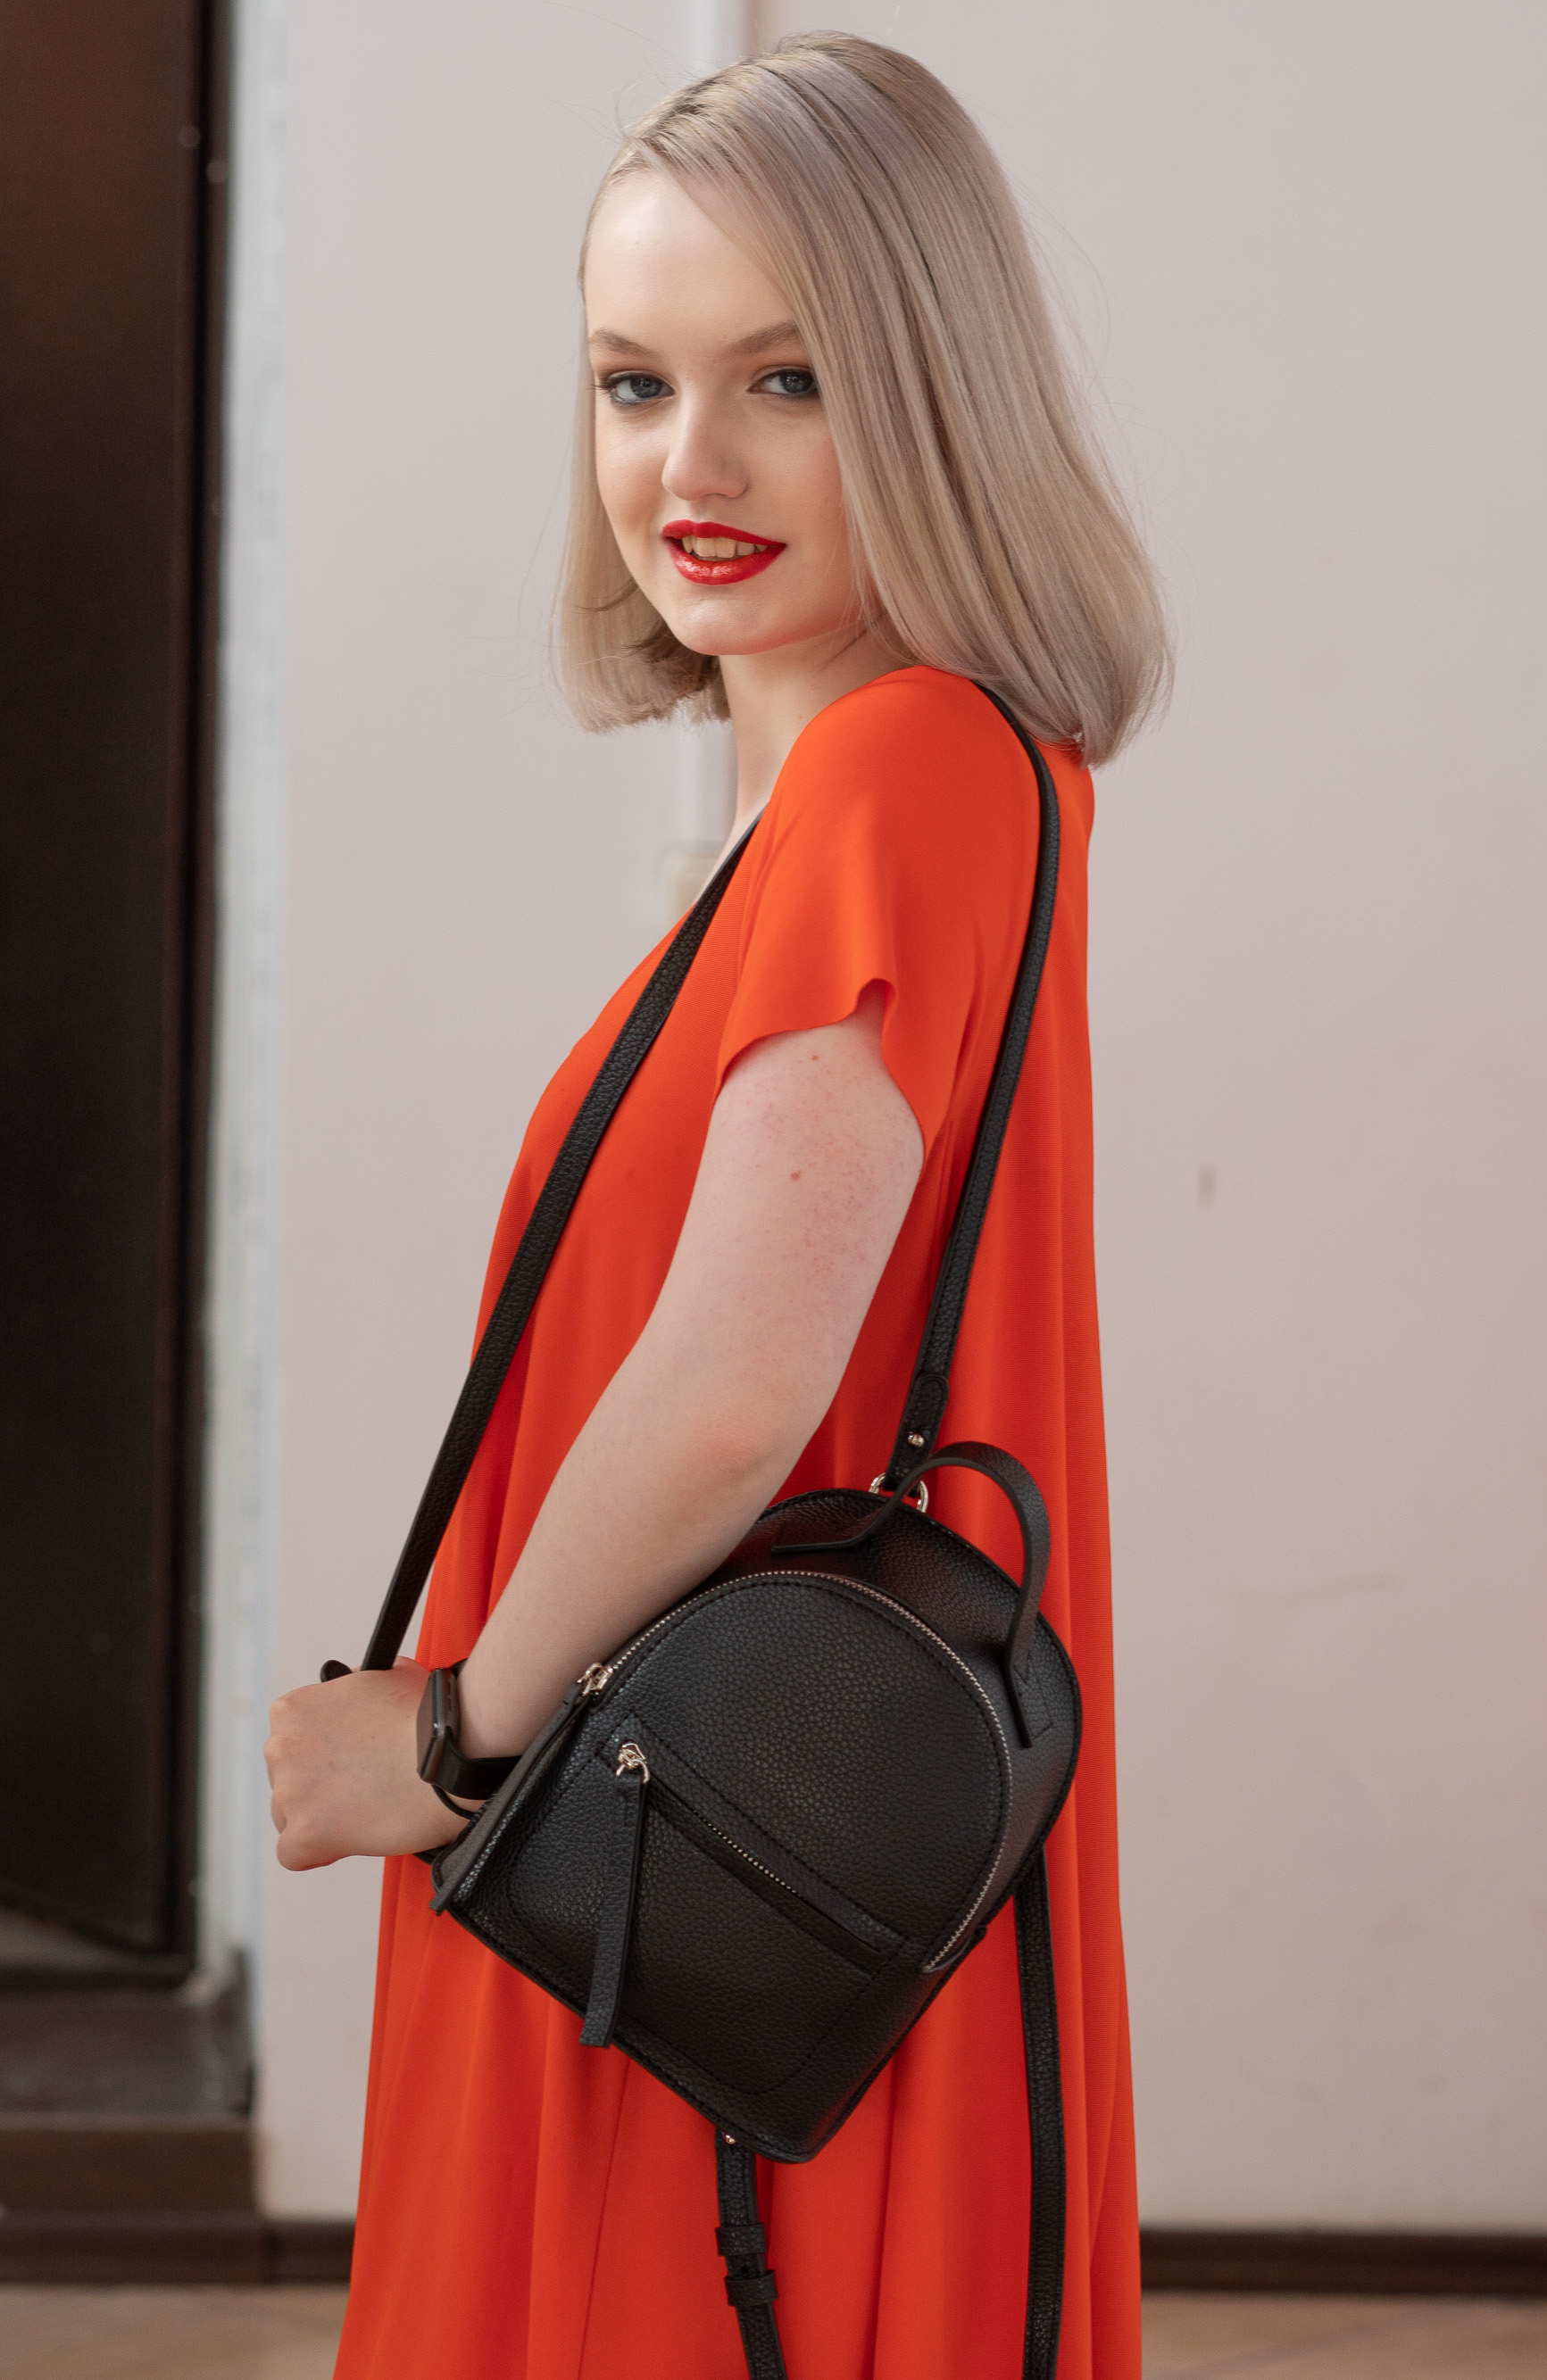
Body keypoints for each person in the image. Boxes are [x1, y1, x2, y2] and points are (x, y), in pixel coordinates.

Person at [264, 33, 1168, 2379]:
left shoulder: (900, 770)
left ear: (933, 395)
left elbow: (736, 1384)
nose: (693, 465)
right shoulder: (929, 782)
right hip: (702, 1830)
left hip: (677, 1851)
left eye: (789, 378)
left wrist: (447, 1736)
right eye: (632, 381)